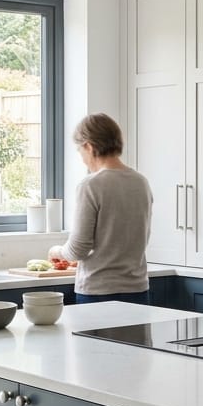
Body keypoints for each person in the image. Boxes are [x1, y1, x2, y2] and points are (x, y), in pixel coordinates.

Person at [48, 113, 153, 304]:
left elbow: (78, 249)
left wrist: (56, 251)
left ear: (89, 146)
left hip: (98, 291)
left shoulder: (91, 185)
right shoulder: (141, 182)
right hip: (137, 290)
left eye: (80, 150)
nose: (82, 158)